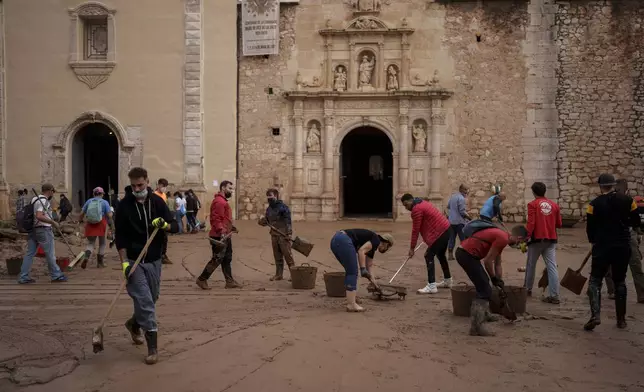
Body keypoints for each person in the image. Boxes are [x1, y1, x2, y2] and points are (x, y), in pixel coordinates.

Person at [115, 167, 179, 365]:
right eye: (133, 186)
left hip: (153, 259)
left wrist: (164, 225)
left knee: (153, 297)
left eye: (140, 185)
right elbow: (120, 238)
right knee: (145, 301)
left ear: (147, 182)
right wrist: (124, 262)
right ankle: (152, 348)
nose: (137, 188)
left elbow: (176, 226)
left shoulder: (157, 202)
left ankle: (134, 324)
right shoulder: (124, 206)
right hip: (134, 260)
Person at [584, 173, 641, 331]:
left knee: (595, 281)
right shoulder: (629, 201)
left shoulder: (593, 204)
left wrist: (594, 241)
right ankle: (621, 320)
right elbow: (636, 222)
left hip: (602, 246)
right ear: (614, 185)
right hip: (622, 245)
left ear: (601, 186)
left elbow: (590, 230)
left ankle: (595, 315)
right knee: (620, 282)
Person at [456, 223, 527, 336]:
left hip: (467, 254)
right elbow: (488, 261)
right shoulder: (502, 238)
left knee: (485, 285)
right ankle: (476, 327)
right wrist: (493, 278)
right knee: (484, 289)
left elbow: (497, 264)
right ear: (519, 238)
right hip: (466, 255)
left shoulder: (502, 238)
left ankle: (485, 313)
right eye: (521, 241)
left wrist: (499, 281)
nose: (520, 244)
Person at [329, 229, 394, 312]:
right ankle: (351, 304)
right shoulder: (376, 241)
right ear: (386, 243)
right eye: (388, 247)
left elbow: (369, 266)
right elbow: (361, 251)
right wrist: (362, 269)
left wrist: (374, 283)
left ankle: (351, 298)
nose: (386, 249)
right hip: (343, 240)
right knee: (353, 272)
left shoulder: (372, 246)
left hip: (336, 240)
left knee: (350, 271)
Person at [602, 179, 644, 304]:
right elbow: (636, 221)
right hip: (628, 236)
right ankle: (641, 294)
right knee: (635, 265)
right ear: (627, 190)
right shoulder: (630, 202)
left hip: (611, 236)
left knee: (609, 265)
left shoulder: (604, 201)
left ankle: (613, 291)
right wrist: (638, 233)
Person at [401, 193, 452, 293]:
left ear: (411, 201)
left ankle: (432, 285)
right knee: (441, 255)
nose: (406, 208)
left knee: (428, 256)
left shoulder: (416, 210)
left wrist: (412, 248)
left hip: (440, 233)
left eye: (406, 205)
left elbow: (416, 230)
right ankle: (448, 280)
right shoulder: (422, 202)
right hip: (446, 229)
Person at [18, 183, 68, 284]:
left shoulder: (34, 199)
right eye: (53, 191)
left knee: (30, 254)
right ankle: (56, 275)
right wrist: (53, 222)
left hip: (33, 229)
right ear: (49, 190)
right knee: (50, 253)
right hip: (43, 229)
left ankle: (23, 276)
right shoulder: (43, 201)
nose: (53, 193)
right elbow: (39, 216)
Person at [196, 181, 242, 289]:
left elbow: (223, 219)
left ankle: (229, 281)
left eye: (232, 189)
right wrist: (221, 231)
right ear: (223, 188)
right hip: (219, 236)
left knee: (227, 258)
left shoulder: (222, 201)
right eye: (230, 188)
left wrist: (231, 228)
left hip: (225, 234)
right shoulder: (220, 202)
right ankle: (202, 279)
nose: (232, 191)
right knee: (217, 259)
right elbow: (216, 219)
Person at [523, 182, 562, 303]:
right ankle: (554, 295)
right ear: (544, 191)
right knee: (552, 266)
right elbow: (559, 224)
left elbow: (531, 224)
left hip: (536, 239)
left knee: (531, 265)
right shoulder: (554, 205)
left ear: (533, 192)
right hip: (551, 239)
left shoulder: (532, 204)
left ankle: (527, 289)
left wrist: (525, 237)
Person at [258, 188, 295, 281]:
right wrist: (261, 221)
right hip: (274, 234)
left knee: (287, 255)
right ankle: (279, 274)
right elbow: (266, 221)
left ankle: (294, 274)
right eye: (267, 196)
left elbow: (288, 221)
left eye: (271, 196)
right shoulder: (269, 209)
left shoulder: (283, 207)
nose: (269, 198)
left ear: (276, 196)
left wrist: (289, 233)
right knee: (277, 255)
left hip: (283, 234)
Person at [78, 187, 113, 268]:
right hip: (101, 223)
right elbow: (109, 215)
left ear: (93, 194)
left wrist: (80, 221)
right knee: (102, 243)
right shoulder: (104, 202)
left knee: (91, 243)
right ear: (102, 194)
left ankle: (87, 256)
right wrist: (112, 212)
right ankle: (100, 263)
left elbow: (81, 213)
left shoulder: (89, 201)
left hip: (90, 223)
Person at [447, 184, 471, 261]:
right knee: (463, 239)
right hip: (459, 222)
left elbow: (448, 206)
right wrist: (469, 217)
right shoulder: (461, 198)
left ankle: (450, 254)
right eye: (465, 190)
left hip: (451, 221)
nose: (466, 192)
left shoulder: (453, 196)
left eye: (467, 190)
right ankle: (464, 255)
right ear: (461, 189)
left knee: (452, 238)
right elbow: (462, 212)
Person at [154, 179, 172, 265]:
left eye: (165, 186)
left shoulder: (164, 195)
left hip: (164, 220)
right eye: (163, 186)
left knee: (164, 238)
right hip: (156, 220)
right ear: (158, 185)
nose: (164, 188)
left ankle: (163, 255)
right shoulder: (154, 195)